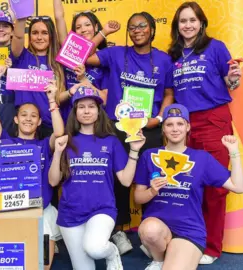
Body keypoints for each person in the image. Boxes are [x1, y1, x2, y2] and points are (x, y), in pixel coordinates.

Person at [86, 12, 174, 253]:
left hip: (150, 128)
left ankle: (152, 234)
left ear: (152, 30)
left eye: (142, 26)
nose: (137, 30)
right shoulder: (115, 54)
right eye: (132, 27)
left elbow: (168, 94)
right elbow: (81, 57)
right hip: (118, 128)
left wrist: (158, 118)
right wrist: (104, 33)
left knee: (152, 179)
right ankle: (119, 232)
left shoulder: (164, 60)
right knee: (118, 181)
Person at [167, 2, 242, 264]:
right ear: (177, 26)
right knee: (186, 184)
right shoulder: (173, 54)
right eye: (182, 21)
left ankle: (211, 248)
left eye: (192, 20)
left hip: (213, 120)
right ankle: (189, 240)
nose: (187, 25)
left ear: (202, 23)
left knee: (215, 185)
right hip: (183, 125)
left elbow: (231, 82)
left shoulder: (216, 47)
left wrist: (234, 75)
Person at [134, 104, 243, 270]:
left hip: (189, 231)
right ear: (163, 129)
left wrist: (234, 152)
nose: (175, 129)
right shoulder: (149, 156)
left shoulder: (202, 158)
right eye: (169, 124)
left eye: (180, 124)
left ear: (188, 127)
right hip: (158, 227)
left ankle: (175, 253)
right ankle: (158, 259)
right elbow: (138, 198)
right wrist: (152, 191)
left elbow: (237, 187)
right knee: (150, 230)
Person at [49, 88, 145, 270]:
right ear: (75, 112)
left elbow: (125, 181)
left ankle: (111, 251)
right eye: (81, 107)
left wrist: (134, 150)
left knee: (95, 248)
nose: (86, 111)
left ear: (98, 111)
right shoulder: (66, 141)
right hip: (70, 214)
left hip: (102, 209)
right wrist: (58, 152)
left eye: (91, 107)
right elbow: (53, 181)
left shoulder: (111, 141)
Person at [0, 65, 64, 270]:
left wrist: (51, 100)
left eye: (33, 116)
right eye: (24, 114)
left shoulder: (44, 145)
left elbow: (59, 131)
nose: (28, 118)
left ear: (39, 122)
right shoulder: (5, 141)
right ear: (16, 119)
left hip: (42, 210)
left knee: (43, 264)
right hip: (12, 211)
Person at [11, 14, 66, 138]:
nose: (39, 37)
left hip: (50, 125)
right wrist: (21, 13)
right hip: (25, 125)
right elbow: (18, 36)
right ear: (29, 36)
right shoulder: (21, 56)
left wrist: (70, 92)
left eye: (44, 33)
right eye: (35, 33)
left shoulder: (59, 62)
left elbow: (58, 97)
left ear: (51, 36)